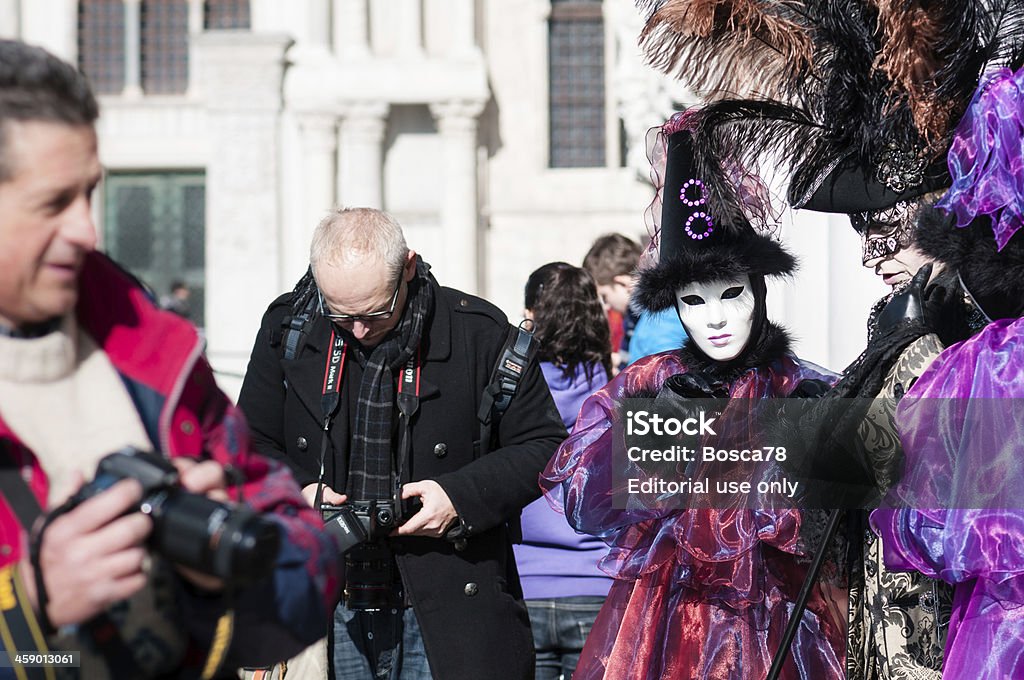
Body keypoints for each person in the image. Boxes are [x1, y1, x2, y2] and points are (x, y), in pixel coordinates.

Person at [0, 39, 340, 678]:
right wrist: (28, 610)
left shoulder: (154, 348)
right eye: (53, 203)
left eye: (89, 195)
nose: (87, 231)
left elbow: (307, 567)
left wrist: (222, 572)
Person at [540, 115, 846, 680]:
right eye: (694, 301)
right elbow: (588, 507)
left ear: (758, 291)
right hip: (669, 629)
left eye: (732, 294)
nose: (718, 318)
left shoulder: (806, 391)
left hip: (779, 630)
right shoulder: (651, 383)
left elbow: (840, 533)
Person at [237, 207, 568, 679]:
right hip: (329, 603)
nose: (357, 329)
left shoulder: (480, 333)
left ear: (408, 267)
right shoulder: (289, 327)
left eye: (373, 312)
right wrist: (300, 491)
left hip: (447, 603)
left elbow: (545, 444)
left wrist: (458, 497)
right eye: (340, 313)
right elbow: (249, 442)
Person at [515, 262, 614, 680]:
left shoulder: (507, 397)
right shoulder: (619, 396)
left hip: (525, 584)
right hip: (596, 586)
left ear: (530, 315)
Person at [582, 234, 686, 370]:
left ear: (621, 283)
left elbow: (666, 372)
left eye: (604, 296)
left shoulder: (657, 321)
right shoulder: (639, 317)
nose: (606, 306)